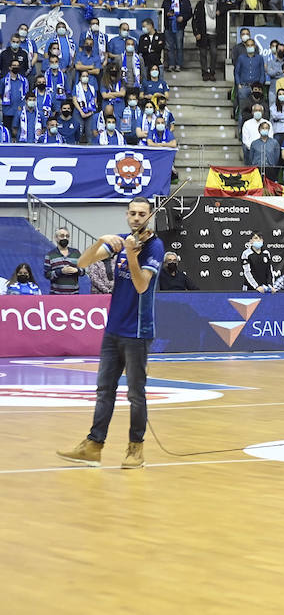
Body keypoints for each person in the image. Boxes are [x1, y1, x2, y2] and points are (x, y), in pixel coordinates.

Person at [57, 198, 164, 469]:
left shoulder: (154, 246)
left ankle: (135, 448)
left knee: (135, 394)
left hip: (138, 332)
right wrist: (100, 241)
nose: (137, 218)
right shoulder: (121, 240)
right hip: (113, 330)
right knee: (104, 391)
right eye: (133, 213)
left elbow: (141, 286)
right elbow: (82, 261)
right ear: (127, 215)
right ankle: (94, 445)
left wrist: (130, 254)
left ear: (150, 216)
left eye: (142, 214)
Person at [42, 227, 82, 295]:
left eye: (67, 236)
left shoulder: (76, 253)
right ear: (56, 238)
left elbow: (83, 271)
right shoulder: (50, 255)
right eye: (62, 236)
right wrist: (60, 271)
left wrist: (77, 270)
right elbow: (47, 275)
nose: (65, 238)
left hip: (74, 295)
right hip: (56, 295)